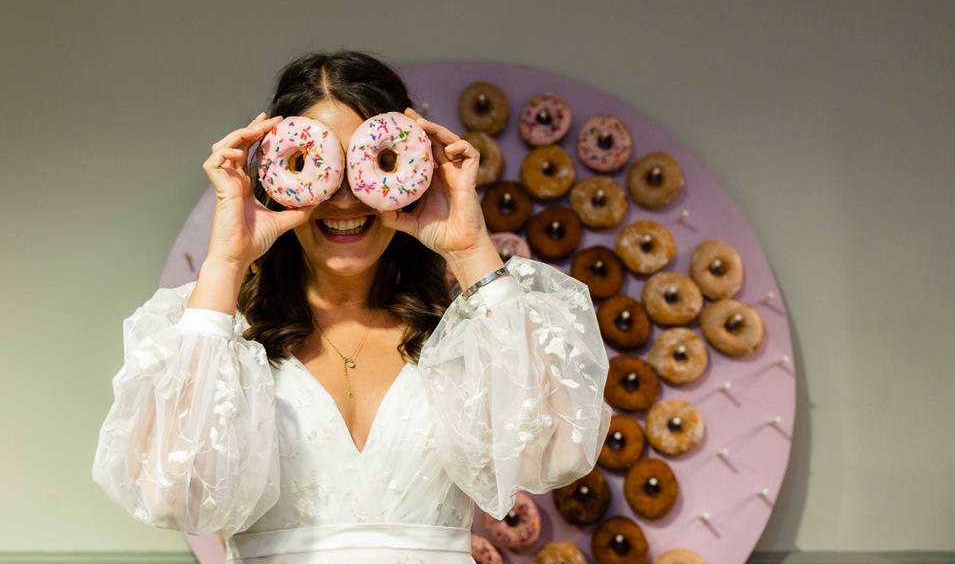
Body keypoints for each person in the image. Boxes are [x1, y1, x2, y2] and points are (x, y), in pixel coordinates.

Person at [91, 49, 613, 563]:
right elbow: (170, 493)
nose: (345, 197)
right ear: (276, 176)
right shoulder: (220, 339)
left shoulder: (462, 336)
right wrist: (226, 262)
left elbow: (556, 453)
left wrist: (471, 248)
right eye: (319, 166)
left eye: (368, 164)